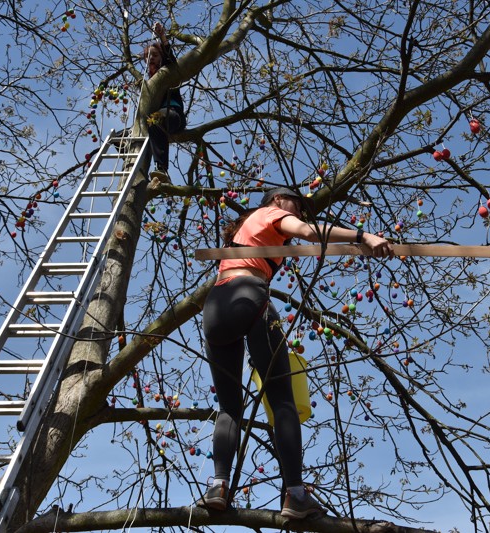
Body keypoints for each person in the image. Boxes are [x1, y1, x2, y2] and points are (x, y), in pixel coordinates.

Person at [198, 187, 393, 518]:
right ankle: (296, 495)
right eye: (296, 205)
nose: (299, 213)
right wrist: (365, 235)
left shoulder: (248, 230)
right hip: (249, 295)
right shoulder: (271, 214)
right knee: (282, 400)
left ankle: (218, 486)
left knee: (229, 408)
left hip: (216, 308)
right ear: (277, 201)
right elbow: (308, 232)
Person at [142, 22, 186, 185]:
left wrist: (162, 37)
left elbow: (170, 59)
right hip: (153, 119)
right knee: (120, 137)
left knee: (155, 121)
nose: (150, 58)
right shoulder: (147, 84)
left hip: (172, 114)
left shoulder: (167, 71)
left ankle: (161, 169)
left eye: (154, 55)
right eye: (147, 56)